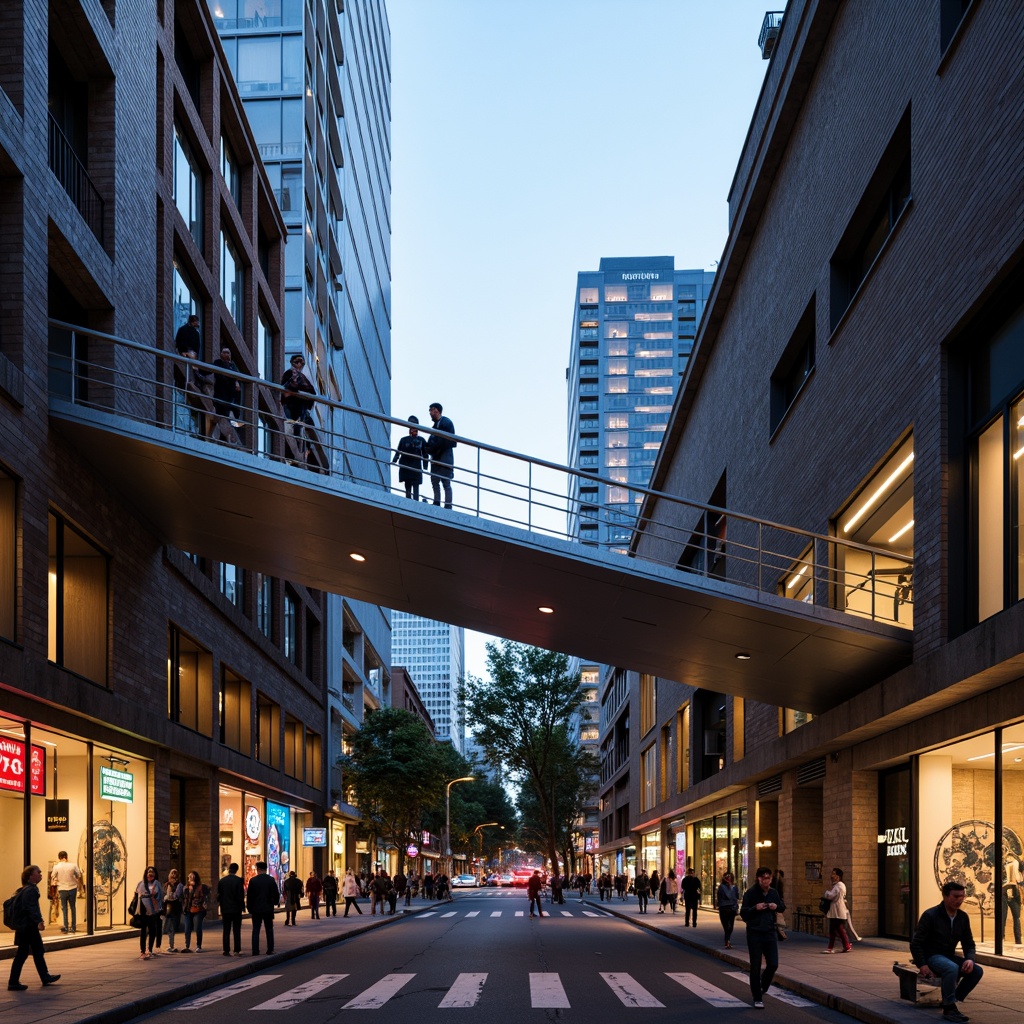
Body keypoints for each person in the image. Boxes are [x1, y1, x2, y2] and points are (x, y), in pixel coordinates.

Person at [910, 881, 983, 1024]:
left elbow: (968, 943)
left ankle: (951, 1000)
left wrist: (970, 959)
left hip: (948, 956)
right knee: (951, 968)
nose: (959, 900)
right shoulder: (931, 915)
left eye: (962, 896)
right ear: (945, 896)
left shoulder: (962, 917)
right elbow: (916, 943)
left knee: (976, 971)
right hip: (932, 956)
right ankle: (949, 1008)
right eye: (955, 896)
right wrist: (922, 964)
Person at [7, 865, 61, 990]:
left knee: (31, 952)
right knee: (32, 952)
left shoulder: (26, 889)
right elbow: (31, 907)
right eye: (38, 872)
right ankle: (15, 981)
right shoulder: (31, 890)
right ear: (31, 876)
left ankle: (43, 977)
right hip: (28, 927)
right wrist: (39, 921)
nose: (41, 874)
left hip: (25, 926)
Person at [740, 866, 785, 1008]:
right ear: (759, 878)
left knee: (773, 964)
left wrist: (775, 906)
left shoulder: (773, 892)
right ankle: (757, 997)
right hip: (754, 933)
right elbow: (744, 913)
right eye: (764, 878)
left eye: (769, 878)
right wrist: (755, 908)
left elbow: (782, 907)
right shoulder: (751, 893)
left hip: (770, 932)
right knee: (756, 965)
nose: (767, 881)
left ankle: (763, 986)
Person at [281, 354, 316, 457]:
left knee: (298, 427)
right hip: (290, 405)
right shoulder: (289, 373)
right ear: (293, 363)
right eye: (297, 362)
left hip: (299, 407)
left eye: (301, 363)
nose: (299, 365)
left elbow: (312, 392)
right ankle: (293, 448)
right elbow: (286, 389)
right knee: (290, 425)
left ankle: (299, 448)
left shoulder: (302, 377)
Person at [425, 402, 456, 509]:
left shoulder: (446, 422)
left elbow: (449, 440)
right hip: (436, 459)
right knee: (435, 482)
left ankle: (448, 505)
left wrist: (434, 449)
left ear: (436, 410)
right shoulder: (435, 427)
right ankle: (437, 502)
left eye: (431, 410)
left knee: (445, 483)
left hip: (444, 459)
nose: (430, 413)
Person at [246, 861, 280, 956]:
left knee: (256, 929)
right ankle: (270, 949)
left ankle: (255, 951)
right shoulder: (271, 880)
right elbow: (275, 894)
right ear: (266, 869)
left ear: (258, 869)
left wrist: (249, 908)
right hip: (268, 908)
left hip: (256, 909)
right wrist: (275, 902)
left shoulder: (253, 881)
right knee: (269, 929)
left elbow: (250, 896)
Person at [211, 346, 243, 445]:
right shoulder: (218, 363)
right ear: (221, 354)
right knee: (220, 416)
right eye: (224, 352)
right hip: (221, 394)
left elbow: (236, 378)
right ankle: (218, 436)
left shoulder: (233, 366)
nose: (226, 354)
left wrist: (236, 383)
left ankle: (225, 438)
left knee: (227, 418)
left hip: (230, 397)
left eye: (228, 352)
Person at [393, 416, 429, 501]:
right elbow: (398, 451)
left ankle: (415, 500)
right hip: (406, 464)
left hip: (416, 465)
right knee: (407, 484)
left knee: (415, 485)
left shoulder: (421, 440)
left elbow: (425, 453)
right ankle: (408, 499)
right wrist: (395, 459)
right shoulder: (403, 440)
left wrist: (425, 465)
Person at [134, 865, 163, 960]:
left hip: (153, 909)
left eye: (152, 872)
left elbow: (160, 896)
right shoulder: (141, 883)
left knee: (152, 930)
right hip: (143, 908)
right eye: (148, 872)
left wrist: (155, 899)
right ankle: (142, 951)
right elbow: (136, 897)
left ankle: (149, 949)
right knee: (143, 930)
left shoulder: (157, 884)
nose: (150, 874)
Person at [821, 867, 853, 953]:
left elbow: (831, 896)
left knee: (835, 929)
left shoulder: (839, 886)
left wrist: (826, 892)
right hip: (836, 911)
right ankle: (845, 946)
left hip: (837, 911)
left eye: (834, 874)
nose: (832, 876)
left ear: (838, 876)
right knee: (837, 929)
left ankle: (834, 947)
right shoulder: (838, 885)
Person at [50, 851, 82, 935]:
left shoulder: (56, 867)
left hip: (62, 889)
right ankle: (73, 927)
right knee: (73, 907)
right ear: (66, 857)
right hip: (72, 887)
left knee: (64, 908)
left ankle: (66, 927)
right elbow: (78, 875)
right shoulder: (73, 865)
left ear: (59, 857)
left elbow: (53, 876)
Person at [216, 862, 245, 956]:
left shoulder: (222, 881)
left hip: (225, 909)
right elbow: (240, 895)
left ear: (229, 869)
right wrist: (242, 906)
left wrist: (221, 904)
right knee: (236, 930)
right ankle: (237, 949)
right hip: (236, 909)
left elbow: (219, 895)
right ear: (236, 870)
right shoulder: (239, 881)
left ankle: (226, 950)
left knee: (226, 930)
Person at [181, 871, 208, 952]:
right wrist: (189, 890)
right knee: (187, 928)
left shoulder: (201, 887)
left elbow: (203, 897)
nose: (191, 878)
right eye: (189, 877)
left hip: (198, 909)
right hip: (188, 910)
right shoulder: (186, 888)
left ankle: (198, 946)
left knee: (197, 928)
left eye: (192, 876)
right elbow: (184, 898)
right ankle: (187, 946)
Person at [1002, 850, 1022, 947]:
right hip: (1009, 889)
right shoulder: (1013, 864)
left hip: (1009, 890)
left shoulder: (1013, 863)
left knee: (1010, 917)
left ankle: (1016, 940)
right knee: (1013, 917)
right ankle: (1017, 940)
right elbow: (1016, 879)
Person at [161, 868, 184, 952]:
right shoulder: (166, 885)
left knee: (173, 927)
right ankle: (171, 945)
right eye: (172, 873)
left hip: (175, 908)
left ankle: (171, 945)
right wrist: (167, 896)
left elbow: (175, 896)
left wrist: (168, 895)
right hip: (167, 908)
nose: (173, 875)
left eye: (175, 873)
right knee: (168, 927)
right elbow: (164, 896)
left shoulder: (179, 885)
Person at [718, 871, 740, 948]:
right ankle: (727, 940)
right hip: (728, 908)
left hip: (727, 908)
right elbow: (734, 896)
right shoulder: (730, 887)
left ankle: (727, 940)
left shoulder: (730, 887)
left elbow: (736, 897)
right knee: (728, 926)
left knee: (728, 926)